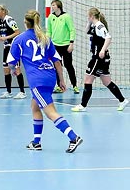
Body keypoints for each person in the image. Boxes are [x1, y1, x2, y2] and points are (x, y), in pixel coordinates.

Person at [7, 11, 83, 154]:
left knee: (50, 112)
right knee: (35, 107)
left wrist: (14, 70)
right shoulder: (45, 38)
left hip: (38, 79)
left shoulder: (19, 39)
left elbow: (11, 62)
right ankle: (36, 142)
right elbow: (57, 62)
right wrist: (61, 80)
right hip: (50, 75)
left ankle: (73, 137)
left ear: (25, 23)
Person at [72, 8, 127, 112]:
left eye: (88, 16)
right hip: (101, 58)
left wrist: (102, 50)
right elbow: (87, 31)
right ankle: (122, 100)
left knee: (88, 80)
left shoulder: (100, 26)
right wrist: (89, 22)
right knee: (107, 82)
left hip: (98, 58)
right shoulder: (94, 26)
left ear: (92, 16)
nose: (87, 17)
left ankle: (83, 105)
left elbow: (108, 38)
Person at [0, 4, 26, 99]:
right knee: (6, 69)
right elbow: (1, 35)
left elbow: (17, 32)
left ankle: (22, 92)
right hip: (6, 47)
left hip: (14, 47)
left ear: (3, 11)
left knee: (17, 68)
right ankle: (8, 92)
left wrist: (7, 37)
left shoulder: (9, 20)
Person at [47, 0, 76, 94]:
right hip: (55, 45)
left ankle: (74, 85)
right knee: (57, 66)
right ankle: (59, 86)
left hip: (66, 45)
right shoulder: (51, 17)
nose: (52, 7)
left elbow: (72, 30)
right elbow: (49, 31)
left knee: (68, 65)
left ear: (58, 6)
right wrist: (48, 41)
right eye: (51, 5)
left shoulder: (66, 16)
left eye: (54, 5)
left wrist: (71, 43)